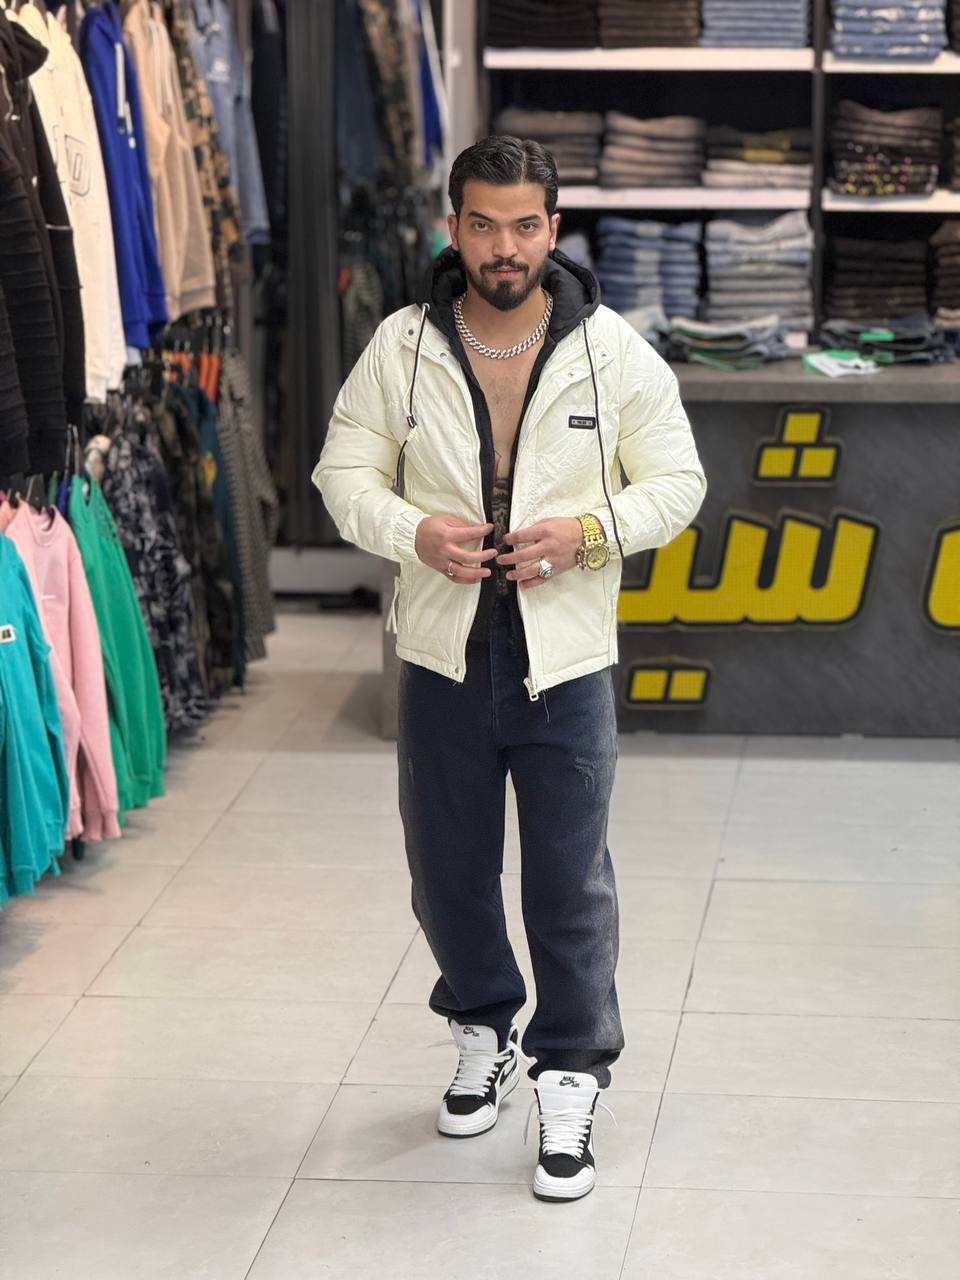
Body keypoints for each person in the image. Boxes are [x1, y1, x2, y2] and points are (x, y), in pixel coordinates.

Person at [313, 135, 706, 1203]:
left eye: (525, 225)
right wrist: (411, 531)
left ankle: (570, 1072)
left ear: (553, 229)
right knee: (446, 869)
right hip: (442, 651)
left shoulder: (608, 350)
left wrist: (588, 532)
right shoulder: (401, 346)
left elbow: (677, 481)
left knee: (569, 877)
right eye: (483, 224)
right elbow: (343, 473)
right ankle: (482, 1026)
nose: (504, 247)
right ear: (453, 227)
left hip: (563, 657)